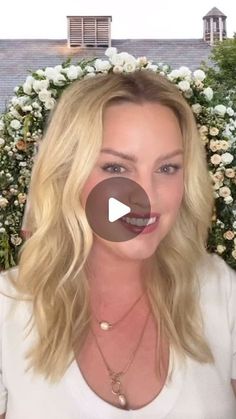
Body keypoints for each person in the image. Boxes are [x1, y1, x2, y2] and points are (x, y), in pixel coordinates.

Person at [0, 70, 235, 418]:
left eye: (167, 168)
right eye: (116, 168)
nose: (147, 198)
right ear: (67, 173)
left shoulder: (222, 294)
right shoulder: (8, 308)